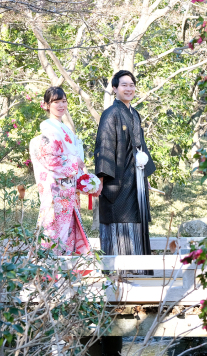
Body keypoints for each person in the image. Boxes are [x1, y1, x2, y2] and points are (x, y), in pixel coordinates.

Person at [94, 70, 156, 274]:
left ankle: (139, 272)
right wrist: (101, 178)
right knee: (120, 222)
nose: (129, 89)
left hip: (136, 178)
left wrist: (145, 176)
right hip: (118, 180)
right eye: (124, 85)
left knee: (137, 221)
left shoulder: (134, 114)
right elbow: (105, 147)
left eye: (132, 85)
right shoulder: (111, 114)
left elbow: (141, 147)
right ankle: (119, 275)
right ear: (114, 88)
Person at [29, 86, 91, 255]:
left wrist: (83, 180)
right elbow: (52, 162)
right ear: (46, 105)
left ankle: (65, 277)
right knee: (53, 233)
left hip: (68, 190)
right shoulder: (47, 132)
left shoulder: (64, 130)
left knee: (68, 234)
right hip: (55, 191)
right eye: (56, 102)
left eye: (63, 101)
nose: (61, 105)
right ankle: (50, 276)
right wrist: (74, 161)